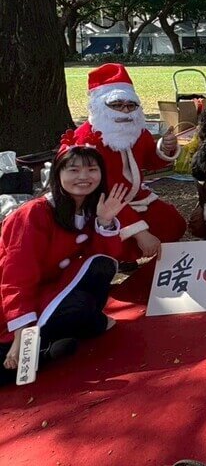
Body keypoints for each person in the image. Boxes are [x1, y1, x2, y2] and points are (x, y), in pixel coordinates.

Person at [1, 140, 129, 385]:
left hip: (54, 290)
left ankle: (53, 341)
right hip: (13, 301)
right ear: (57, 174)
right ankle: (44, 352)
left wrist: (104, 222)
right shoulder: (34, 213)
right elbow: (16, 277)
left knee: (87, 294)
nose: (83, 176)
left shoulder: (92, 209)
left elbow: (101, 260)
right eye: (74, 170)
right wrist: (21, 332)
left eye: (91, 169)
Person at [72, 63, 185, 261]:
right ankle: (118, 259)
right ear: (99, 105)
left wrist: (164, 148)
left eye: (131, 105)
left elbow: (150, 161)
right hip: (97, 204)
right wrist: (140, 232)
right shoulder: (86, 140)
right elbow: (98, 191)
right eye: (116, 105)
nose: (125, 111)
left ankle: (131, 254)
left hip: (134, 197)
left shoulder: (135, 129)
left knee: (173, 224)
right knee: (117, 238)